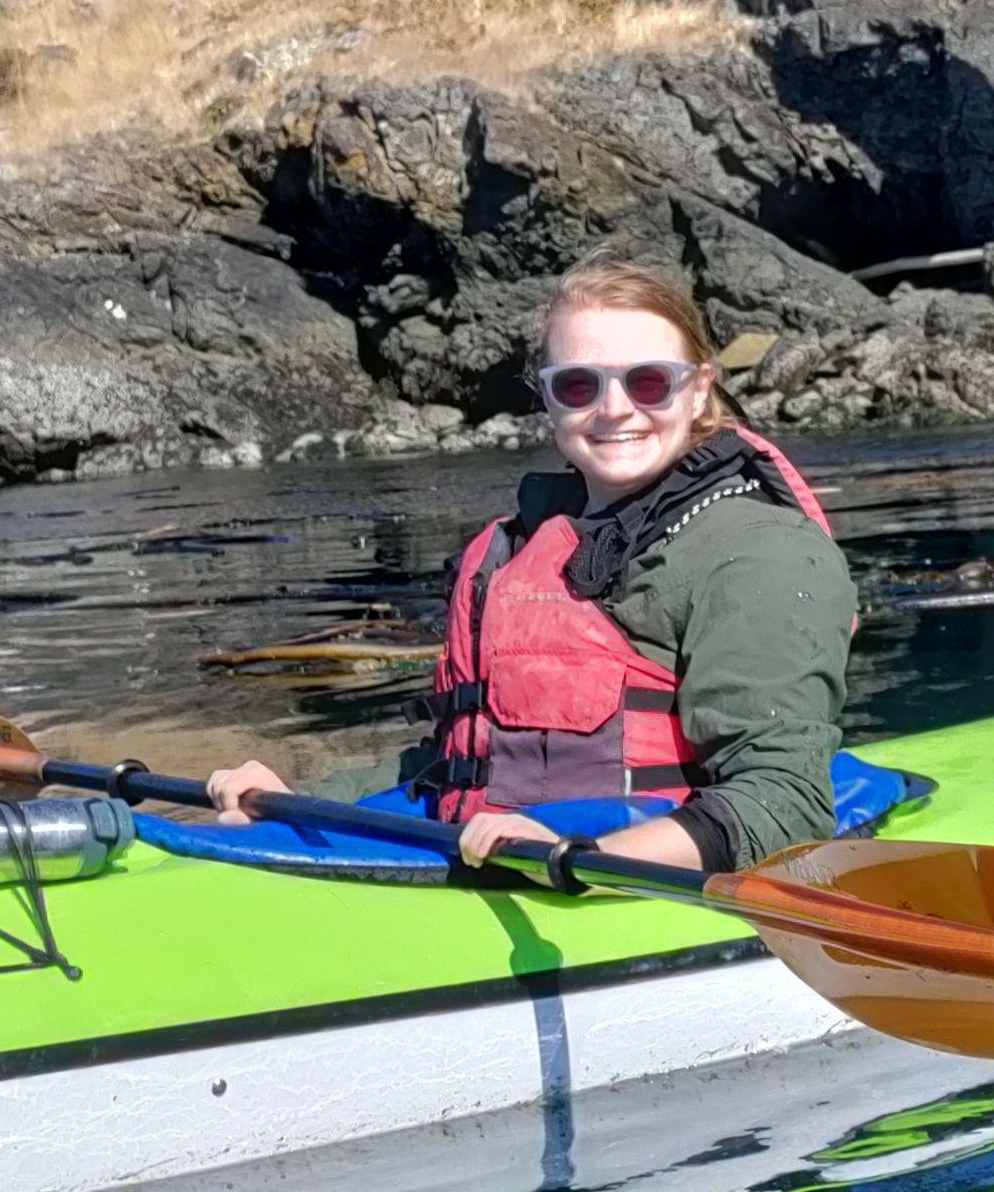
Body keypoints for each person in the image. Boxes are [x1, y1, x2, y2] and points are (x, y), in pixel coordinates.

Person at [202, 254, 856, 878]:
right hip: (500, 860)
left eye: (648, 380)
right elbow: (463, 759)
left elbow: (786, 806)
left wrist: (580, 856)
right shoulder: (519, 546)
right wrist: (298, 801)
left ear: (697, 390)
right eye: (579, 385)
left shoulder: (761, 552)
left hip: (615, 877)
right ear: (548, 401)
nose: (615, 407)